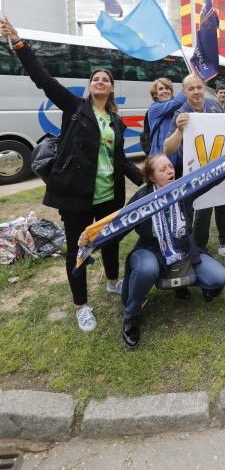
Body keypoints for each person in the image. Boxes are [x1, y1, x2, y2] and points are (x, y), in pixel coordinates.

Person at [0, 17, 142, 333]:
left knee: (111, 243)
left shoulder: (116, 124)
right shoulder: (75, 108)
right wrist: (18, 43)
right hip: (76, 195)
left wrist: (149, 182)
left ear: (112, 88)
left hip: (109, 195)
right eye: (96, 78)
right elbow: (43, 79)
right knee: (79, 249)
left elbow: (120, 161)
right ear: (91, 86)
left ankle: (112, 282)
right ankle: (81, 306)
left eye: (106, 79)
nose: (100, 81)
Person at [105, 153, 225, 349]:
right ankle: (131, 316)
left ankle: (185, 284)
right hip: (151, 248)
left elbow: (210, 178)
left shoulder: (183, 189)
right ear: (152, 177)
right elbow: (118, 227)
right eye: (163, 169)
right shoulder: (142, 198)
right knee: (146, 269)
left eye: (170, 166)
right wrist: (90, 240)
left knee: (219, 278)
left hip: (182, 248)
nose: (170, 171)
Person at [163, 74, 225, 261]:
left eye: (199, 87)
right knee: (202, 210)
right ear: (184, 92)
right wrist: (179, 130)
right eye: (191, 88)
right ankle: (199, 248)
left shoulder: (215, 107)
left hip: (218, 167)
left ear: (204, 88)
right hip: (196, 172)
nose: (196, 91)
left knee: (223, 203)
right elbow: (167, 149)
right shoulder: (181, 113)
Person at [147, 77, 185, 171]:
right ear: (155, 94)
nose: (165, 91)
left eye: (167, 88)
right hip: (160, 157)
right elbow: (177, 102)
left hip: (178, 157)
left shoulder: (178, 107)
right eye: (161, 89)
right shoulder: (154, 108)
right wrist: (188, 86)